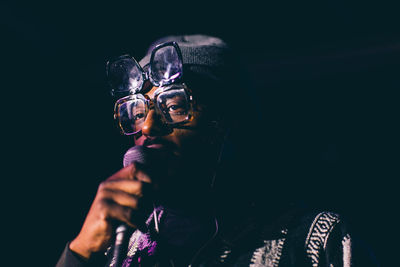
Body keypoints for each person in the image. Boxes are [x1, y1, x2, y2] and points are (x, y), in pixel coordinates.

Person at [56, 34, 377, 267]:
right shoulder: (118, 250)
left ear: (228, 122)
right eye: (140, 112)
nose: (149, 128)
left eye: (175, 106)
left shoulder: (315, 242)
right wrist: (80, 252)